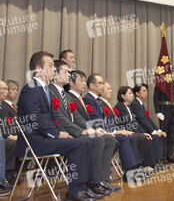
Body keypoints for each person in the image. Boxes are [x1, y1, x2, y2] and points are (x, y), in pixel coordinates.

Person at [16, 51, 95, 201]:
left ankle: (84, 187)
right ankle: (75, 192)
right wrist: (57, 133)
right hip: (34, 141)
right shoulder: (30, 88)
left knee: (84, 142)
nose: (53, 69)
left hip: (45, 136)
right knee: (78, 144)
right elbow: (36, 119)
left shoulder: (43, 89)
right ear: (39, 68)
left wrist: (58, 132)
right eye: (51, 65)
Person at [49, 62, 119, 195]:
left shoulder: (64, 95)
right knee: (96, 140)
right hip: (60, 134)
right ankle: (92, 182)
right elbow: (59, 118)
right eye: (65, 72)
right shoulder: (50, 92)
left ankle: (102, 180)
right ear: (54, 74)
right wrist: (82, 131)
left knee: (108, 139)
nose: (68, 75)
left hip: (72, 131)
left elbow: (77, 117)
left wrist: (91, 128)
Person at [130, 84, 166, 164]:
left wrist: (158, 130)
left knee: (159, 136)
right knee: (155, 137)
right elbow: (142, 119)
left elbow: (148, 119)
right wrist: (153, 131)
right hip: (139, 130)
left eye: (146, 91)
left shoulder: (141, 105)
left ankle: (158, 161)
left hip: (145, 129)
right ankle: (152, 162)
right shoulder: (135, 104)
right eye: (143, 91)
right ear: (137, 93)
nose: (146, 93)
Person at [153, 64, 174, 164]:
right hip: (164, 110)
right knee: (164, 133)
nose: (171, 73)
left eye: (172, 71)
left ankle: (170, 154)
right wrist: (158, 112)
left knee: (172, 134)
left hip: (173, 110)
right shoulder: (160, 84)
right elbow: (156, 98)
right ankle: (163, 155)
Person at [0, 81, 17, 185]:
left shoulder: (2, 107)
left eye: (7, 89)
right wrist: (9, 136)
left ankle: (9, 172)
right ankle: (8, 173)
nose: (7, 92)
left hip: (3, 136)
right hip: (2, 137)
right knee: (12, 143)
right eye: (4, 89)